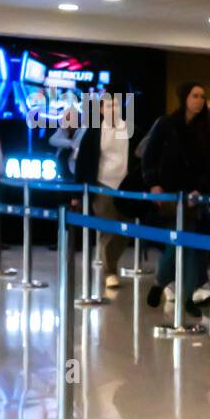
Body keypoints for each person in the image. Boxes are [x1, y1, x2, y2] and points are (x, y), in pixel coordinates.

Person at [143, 82, 210, 320]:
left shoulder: (207, 129)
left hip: (194, 196)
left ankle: (182, 295)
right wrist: (153, 183)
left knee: (191, 248)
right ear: (185, 98)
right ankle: (164, 283)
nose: (199, 100)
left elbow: (209, 164)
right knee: (176, 240)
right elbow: (150, 154)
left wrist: (200, 190)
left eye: (202, 96)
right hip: (169, 193)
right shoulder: (167, 124)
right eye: (195, 96)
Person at [73, 85, 138, 290]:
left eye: (115, 104)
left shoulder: (129, 128)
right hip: (102, 186)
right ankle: (110, 271)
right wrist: (79, 192)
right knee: (108, 229)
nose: (112, 108)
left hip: (126, 187)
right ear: (100, 109)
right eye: (107, 105)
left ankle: (110, 261)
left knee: (125, 230)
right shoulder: (93, 131)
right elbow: (83, 162)